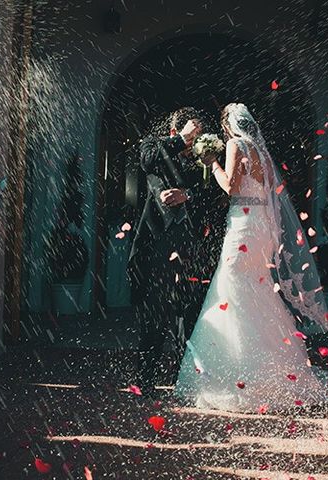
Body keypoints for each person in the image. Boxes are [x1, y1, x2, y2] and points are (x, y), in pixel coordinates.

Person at [175, 103, 328, 412]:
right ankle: (269, 364)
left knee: (232, 285)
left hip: (244, 223)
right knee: (256, 286)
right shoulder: (262, 153)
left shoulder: (237, 145)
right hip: (261, 225)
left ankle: (239, 367)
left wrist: (212, 163)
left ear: (227, 128)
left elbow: (231, 187)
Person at [128, 107, 218, 396]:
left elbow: (216, 196)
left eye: (198, 136)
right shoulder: (154, 145)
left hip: (192, 249)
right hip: (155, 246)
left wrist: (188, 195)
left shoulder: (203, 160)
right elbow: (147, 161)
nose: (196, 142)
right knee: (153, 316)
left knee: (188, 317)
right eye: (194, 135)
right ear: (176, 131)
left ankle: (186, 382)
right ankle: (145, 380)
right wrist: (181, 139)